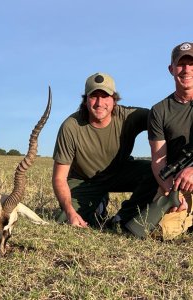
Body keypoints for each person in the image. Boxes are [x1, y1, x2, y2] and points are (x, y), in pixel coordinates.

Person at [52, 72, 158, 229]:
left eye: (105, 96)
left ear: (114, 100)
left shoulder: (129, 116)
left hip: (119, 172)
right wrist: (69, 212)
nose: (99, 103)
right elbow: (59, 178)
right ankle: (98, 207)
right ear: (86, 100)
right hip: (84, 181)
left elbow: (162, 119)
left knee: (155, 172)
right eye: (94, 96)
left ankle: (123, 217)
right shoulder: (70, 126)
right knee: (64, 219)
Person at [148, 42, 193, 239]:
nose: (186, 70)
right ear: (171, 69)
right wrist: (171, 193)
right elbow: (159, 162)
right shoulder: (159, 111)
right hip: (179, 184)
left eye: (191, 64)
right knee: (160, 232)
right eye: (181, 64)